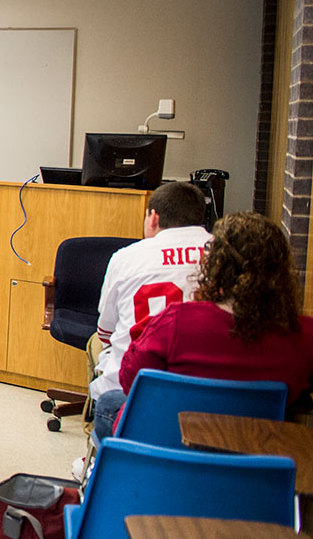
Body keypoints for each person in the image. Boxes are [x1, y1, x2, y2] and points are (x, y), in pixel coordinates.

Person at [113, 211, 313, 425]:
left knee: (109, 402)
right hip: (258, 454)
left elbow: (129, 381)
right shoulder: (305, 335)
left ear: (217, 264)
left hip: (169, 449)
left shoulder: (177, 321)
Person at [84, 181, 211, 437]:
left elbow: (106, 331)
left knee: (96, 343)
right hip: (208, 391)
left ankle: (93, 442)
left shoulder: (127, 256)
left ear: (153, 217)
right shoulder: (225, 252)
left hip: (134, 388)